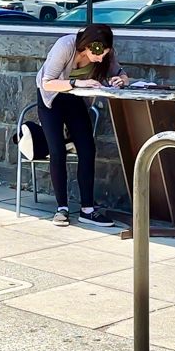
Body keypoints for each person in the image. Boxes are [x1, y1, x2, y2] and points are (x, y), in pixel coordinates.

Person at [35, 23, 129, 227]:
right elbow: (46, 82)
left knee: (87, 149)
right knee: (57, 150)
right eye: (98, 54)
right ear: (87, 45)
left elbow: (121, 73)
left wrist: (120, 80)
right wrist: (77, 83)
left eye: (105, 54)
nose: (101, 59)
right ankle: (62, 208)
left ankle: (87, 209)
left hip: (75, 99)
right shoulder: (65, 46)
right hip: (52, 98)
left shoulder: (104, 52)